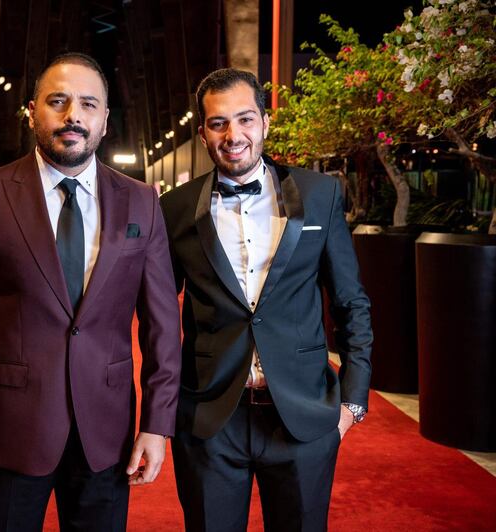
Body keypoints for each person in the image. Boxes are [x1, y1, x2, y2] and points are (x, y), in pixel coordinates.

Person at [0, 52, 181, 532]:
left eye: (88, 105)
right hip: (8, 431)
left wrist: (156, 423)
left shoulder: (142, 201)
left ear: (105, 120)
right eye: (57, 101)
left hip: (107, 434)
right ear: (32, 112)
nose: (73, 117)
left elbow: (163, 325)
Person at [159, 68, 373, 532]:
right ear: (202, 133)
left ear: (265, 122)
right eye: (218, 123)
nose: (233, 135)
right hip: (211, 421)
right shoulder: (174, 208)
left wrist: (352, 403)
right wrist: (163, 414)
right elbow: (157, 317)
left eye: (245, 119)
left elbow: (351, 302)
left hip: (303, 417)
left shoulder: (321, 195)